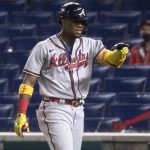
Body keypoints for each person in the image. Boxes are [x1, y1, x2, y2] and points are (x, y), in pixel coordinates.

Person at [14, 2, 129, 150]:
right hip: (54, 108)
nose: (80, 24)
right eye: (76, 21)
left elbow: (109, 58)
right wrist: (21, 114)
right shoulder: (43, 47)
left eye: (82, 21)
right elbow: (28, 83)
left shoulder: (90, 44)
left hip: (78, 109)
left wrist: (119, 54)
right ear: (63, 20)